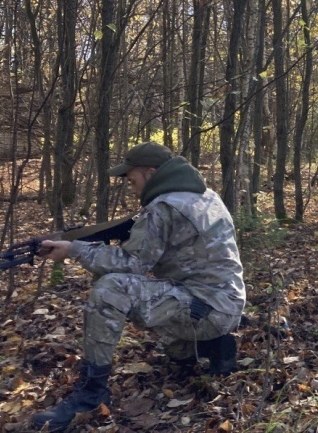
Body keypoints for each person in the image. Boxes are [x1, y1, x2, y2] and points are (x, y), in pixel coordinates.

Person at [31, 142, 246, 431]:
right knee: (174, 350)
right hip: (222, 303)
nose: (132, 188)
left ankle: (92, 393)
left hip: (207, 307)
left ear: (151, 172)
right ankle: (212, 345)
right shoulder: (204, 196)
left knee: (112, 289)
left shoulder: (164, 207)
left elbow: (132, 263)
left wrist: (74, 249)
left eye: (133, 180)